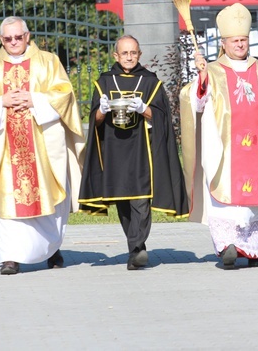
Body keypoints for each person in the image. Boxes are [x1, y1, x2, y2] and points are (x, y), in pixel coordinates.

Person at [179, 3, 258, 269]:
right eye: (235, 41)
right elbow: (195, 103)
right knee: (228, 200)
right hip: (227, 151)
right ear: (224, 43)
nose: (240, 45)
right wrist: (201, 81)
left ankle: (255, 250)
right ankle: (229, 247)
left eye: (243, 40)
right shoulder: (212, 71)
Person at [0, 16, 85, 275]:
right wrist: (1, 101)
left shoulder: (48, 61)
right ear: (1, 40)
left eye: (18, 37)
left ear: (27, 36)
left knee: (50, 195)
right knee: (7, 199)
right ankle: (10, 257)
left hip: (42, 144)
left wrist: (34, 99)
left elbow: (65, 93)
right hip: (6, 148)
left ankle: (51, 247)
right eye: (8, 38)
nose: (13, 42)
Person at [79, 35, 189, 270]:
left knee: (141, 199)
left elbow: (162, 118)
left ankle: (138, 248)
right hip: (114, 150)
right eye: (124, 53)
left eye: (133, 53)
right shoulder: (105, 82)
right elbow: (95, 121)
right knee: (123, 201)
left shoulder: (150, 82)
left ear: (139, 55)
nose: (129, 57)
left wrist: (145, 109)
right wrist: (102, 109)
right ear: (116, 56)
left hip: (142, 150)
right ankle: (134, 248)